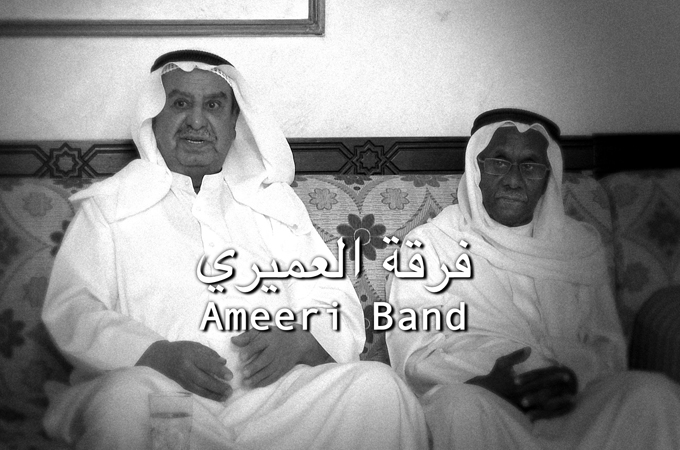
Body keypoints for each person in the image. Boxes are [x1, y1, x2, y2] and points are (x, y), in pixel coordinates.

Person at [42, 49, 427, 450]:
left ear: (232, 123)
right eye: (180, 104)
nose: (196, 120)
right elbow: (73, 308)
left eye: (213, 105)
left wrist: (300, 340)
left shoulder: (272, 204)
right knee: (125, 401)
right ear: (154, 117)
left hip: (273, 406)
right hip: (165, 398)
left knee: (378, 388)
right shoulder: (110, 207)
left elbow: (335, 302)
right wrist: (155, 354)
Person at [386, 108, 680, 449]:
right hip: (483, 401)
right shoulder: (431, 244)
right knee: (458, 406)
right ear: (476, 169)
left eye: (529, 166)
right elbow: (413, 357)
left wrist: (573, 377)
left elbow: (608, 348)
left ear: (547, 179)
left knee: (652, 393)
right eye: (499, 162)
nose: (513, 180)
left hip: (573, 405)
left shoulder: (579, 246)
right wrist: (482, 381)